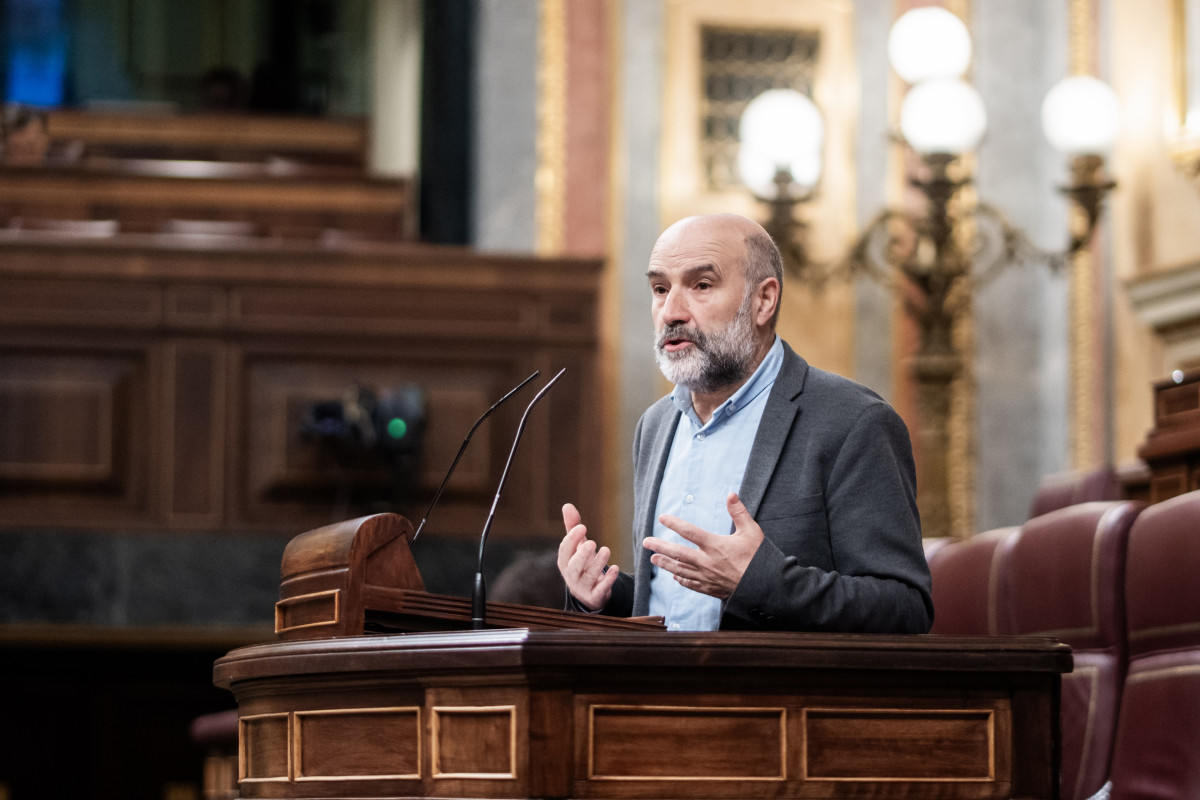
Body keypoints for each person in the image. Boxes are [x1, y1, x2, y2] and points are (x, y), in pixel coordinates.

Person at [556, 213, 933, 633]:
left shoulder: (853, 421)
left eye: (701, 285)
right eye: (660, 289)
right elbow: (676, 605)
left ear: (763, 301)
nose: (671, 312)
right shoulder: (656, 425)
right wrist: (605, 596)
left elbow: (905, 609)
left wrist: (761, 583)